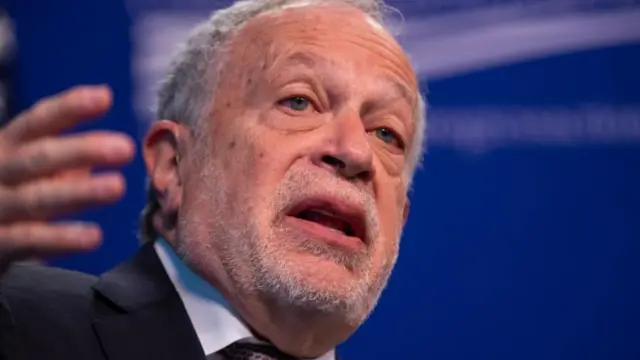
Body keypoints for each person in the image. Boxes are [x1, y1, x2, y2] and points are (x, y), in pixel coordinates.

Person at [0, 0, 426, 359]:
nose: (355, 152)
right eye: (299, 101)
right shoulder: (18, 322)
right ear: (174, 164)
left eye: (387, 133)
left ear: (400, 222)